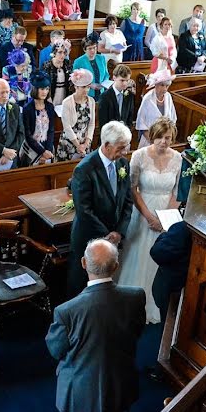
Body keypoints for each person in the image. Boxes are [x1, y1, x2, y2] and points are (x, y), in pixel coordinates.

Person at [46, 238, 144, 412]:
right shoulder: (136, 297)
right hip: (119, 386)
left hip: (77, 393)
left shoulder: (66, 311)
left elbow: (56, 350)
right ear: (116, 266)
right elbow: (137, 332)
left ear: (83, 263)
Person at [117, 117, 180, 324]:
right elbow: (133, 189)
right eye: (160, 137)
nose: (164, 142)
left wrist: (166, 219)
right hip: (143, 211)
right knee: (138, 253)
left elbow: (177, 192)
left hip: (166, 214)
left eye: (168, 138)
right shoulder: (139, 155)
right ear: (153, 136)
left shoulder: (178, 158)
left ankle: (158, 302)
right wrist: (149, 217)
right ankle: (134, 300)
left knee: (161, 255)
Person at [67, 121, 134, 296]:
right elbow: (84, 210)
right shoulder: (84, 169)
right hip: (88, 237)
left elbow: (128, 200)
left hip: (113, 237)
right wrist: (107, 234)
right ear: (106, 145)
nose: (125, 152)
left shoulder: (123, 165)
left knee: (104, 287)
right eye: (120, 148)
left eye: (126, 147)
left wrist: (119, 231)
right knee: (81, 285)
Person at [150, 218, 192, 324]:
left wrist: (163, 234)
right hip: (188, 288)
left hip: (173, 291)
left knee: (168, 327)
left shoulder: (183, 228)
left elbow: (157, 252)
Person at [56, 69, 96, 162]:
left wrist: (86, 143)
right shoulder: (67, 102)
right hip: (69, 143)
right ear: (76, 87)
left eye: (88, 87)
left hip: (84, 143)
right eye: (83, 87)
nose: (86, 90)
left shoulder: (91, 101)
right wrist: (78, 146)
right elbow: (67, 127)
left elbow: (91, 124)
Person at [21, 72, 56, 165]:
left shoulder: (50, 107)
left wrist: (47, 150)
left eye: (47, 89)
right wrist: (42, 152)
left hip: (47, 147)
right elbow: (27, 135)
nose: (45, 92)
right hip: (32, 148)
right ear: (35, 89)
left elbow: (51, 130)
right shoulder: (27, 109)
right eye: (42, 89)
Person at [136, 68, 177, 147]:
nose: (165, 89)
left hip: (164, 141)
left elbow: (173, 119)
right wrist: (153, 141)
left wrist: (167, 139)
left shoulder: (168, 96)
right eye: (162, 85)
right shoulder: (147, 98)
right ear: (155, 84)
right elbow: (141, 123)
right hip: (149, 141)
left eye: (167, 86)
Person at [97, 64, 135, 129]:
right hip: (109, 134)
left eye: (127, 80)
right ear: (114, 78)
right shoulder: (105, 97)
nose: (125, 83)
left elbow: (130, 118)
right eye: (122, 80)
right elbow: (103, 122)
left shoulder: (129, 95)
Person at [73, 33, 108, 100]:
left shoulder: (101, 58)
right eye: (89, 48)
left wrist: (104, 84)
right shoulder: (78, 62)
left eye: (94, 47)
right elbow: (76, 80)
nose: (93, 50)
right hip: (87, 94)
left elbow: (106, 75)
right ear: (84, 49)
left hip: (101, 92)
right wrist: (91, 85)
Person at [42, 43, 73, 107]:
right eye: (60, 52)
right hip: (52, 94)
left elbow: (71, 80)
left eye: (64, 52)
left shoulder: (68, 63)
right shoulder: (47, 65)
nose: (63, 55)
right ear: (54, 53)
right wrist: (48, 97)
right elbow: (44, 83)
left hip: (64, 93)